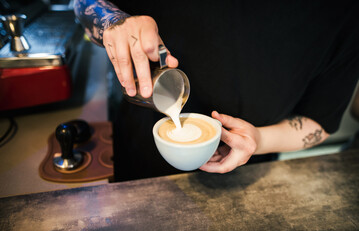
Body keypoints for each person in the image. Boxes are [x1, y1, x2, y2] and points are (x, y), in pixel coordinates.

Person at [74, 0, 359, 181]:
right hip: (138, 151)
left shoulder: (344, 14)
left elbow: (321, 120)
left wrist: (258, 140)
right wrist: (112, 21)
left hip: (251, 174)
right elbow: (81, 4)